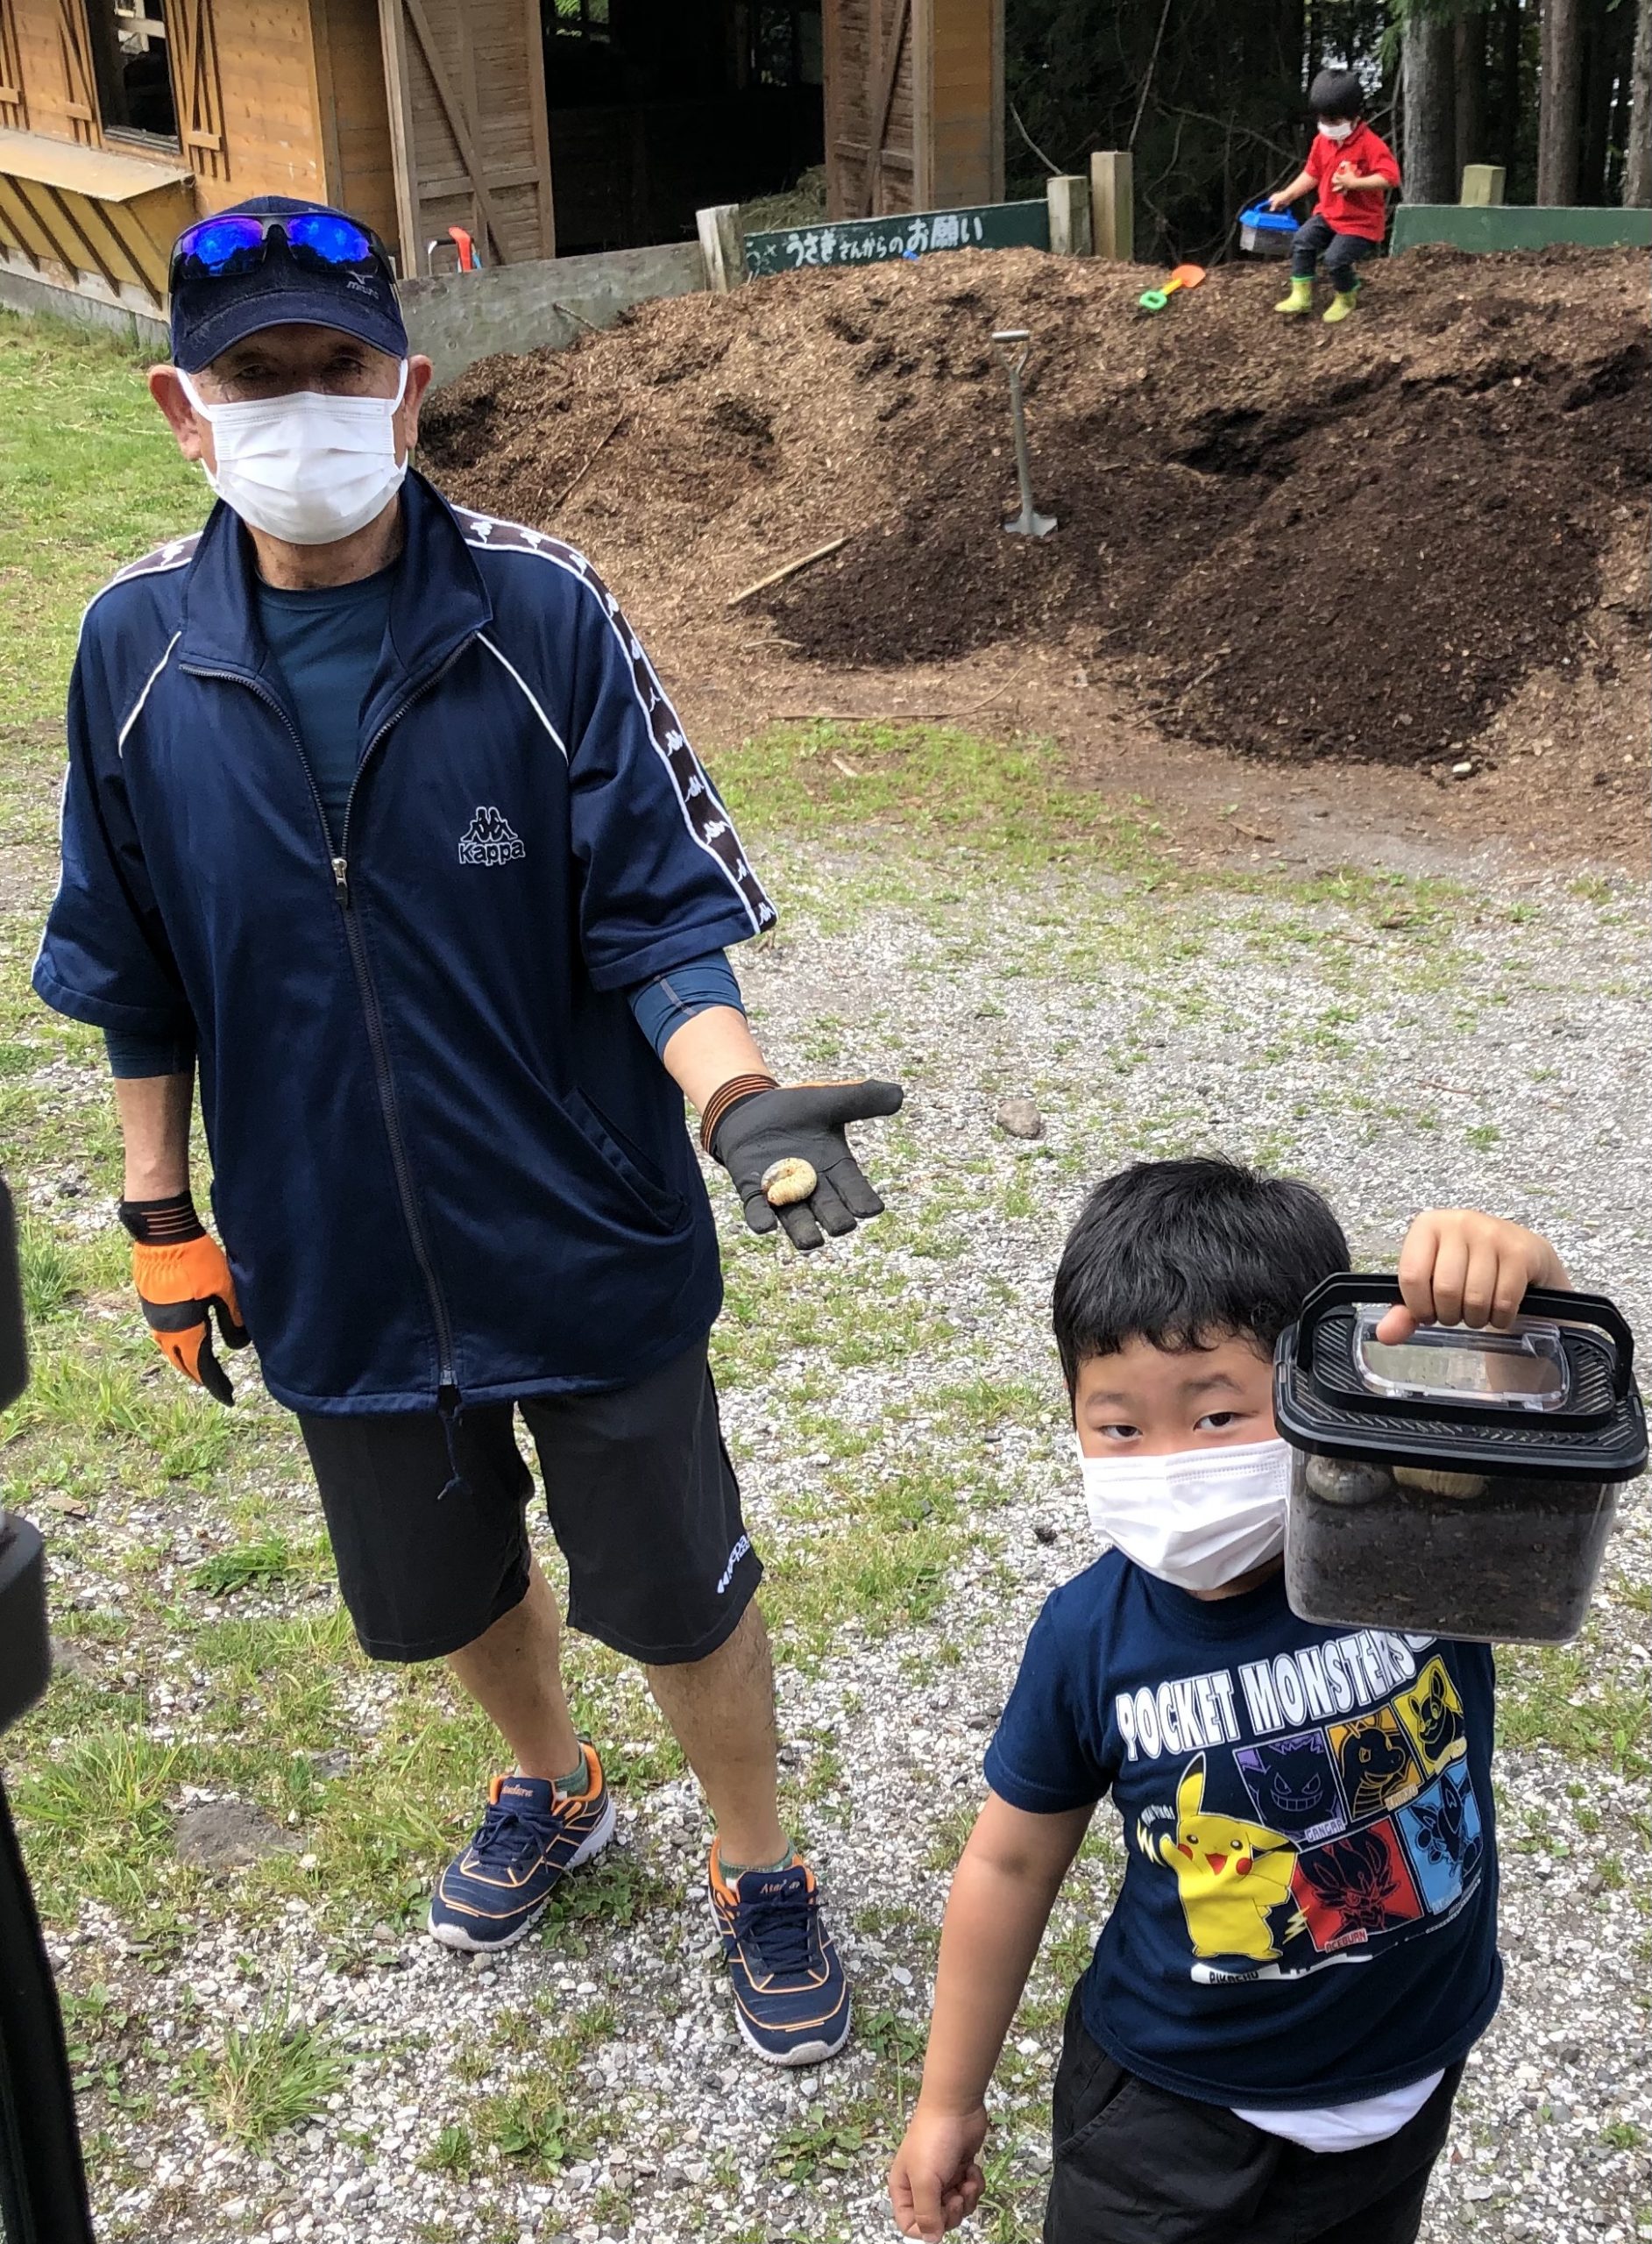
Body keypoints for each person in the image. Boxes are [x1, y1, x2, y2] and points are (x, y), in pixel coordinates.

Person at [33, 195, 904, 2070]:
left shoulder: (543, 609)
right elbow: (134, 966)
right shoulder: (131, 649)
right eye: (254, 378)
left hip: (579, 1222)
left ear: (407, 389)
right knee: (442, 1586)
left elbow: (659, 918)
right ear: (183, 413)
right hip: (329, 1243)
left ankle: (758, 1862)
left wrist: (735, 1093)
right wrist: (160, 1217)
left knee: (675, 1585)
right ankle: (553, 1777)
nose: (301, 407)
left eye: (336, 366)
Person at [889, 1158, 1571, 2241]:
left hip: (1409, 2084)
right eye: (1118, 1428)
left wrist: (1527, 1285)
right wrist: (945, 2097)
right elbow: (1009, 1861)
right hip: (1170, 2117)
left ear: (1323, 1383)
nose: (1167, 1465)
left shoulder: (1423, 1539)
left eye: (1215, 1416)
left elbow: (1545, 1422)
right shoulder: (1089, 1634)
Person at [1269, 68, 1401, 323]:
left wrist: (1356, 183)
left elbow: (1390, 177)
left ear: (1355, 117)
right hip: (1329, 214)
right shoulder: (1322, 141)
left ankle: (1346, 296)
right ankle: (1301, 294)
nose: (1328, 128)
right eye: (1324, 121)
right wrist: (1288, 194)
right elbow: (1312, 173)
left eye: (1335, 122)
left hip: (1360, 222)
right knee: (1302, 240)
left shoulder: (1370, 144)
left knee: (1336, 259)